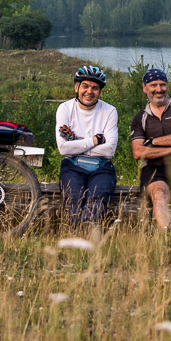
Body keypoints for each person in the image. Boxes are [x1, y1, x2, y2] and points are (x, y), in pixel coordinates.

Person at [130, 68, 171, 229]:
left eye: (163, 85)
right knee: (159, 195)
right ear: (144, 87)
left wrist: (154, 142)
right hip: (153, 168)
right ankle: (166, 235)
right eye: (153, 85)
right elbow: (138, 152)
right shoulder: (140, 118)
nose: (159, 89)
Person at [56, 65, 118, 226]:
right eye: (85, 86)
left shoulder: (109, 111)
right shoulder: (65, 109)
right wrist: (94, 141)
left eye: (95, 88)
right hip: (72, 166)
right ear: (77, 87)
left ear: (100, 91)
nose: (89, 91)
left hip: (102, 167)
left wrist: (77, 144)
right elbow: (63, 148)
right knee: (73, 204)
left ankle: (92, 245)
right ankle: (76, 246)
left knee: (96, 205)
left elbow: (109, 149)